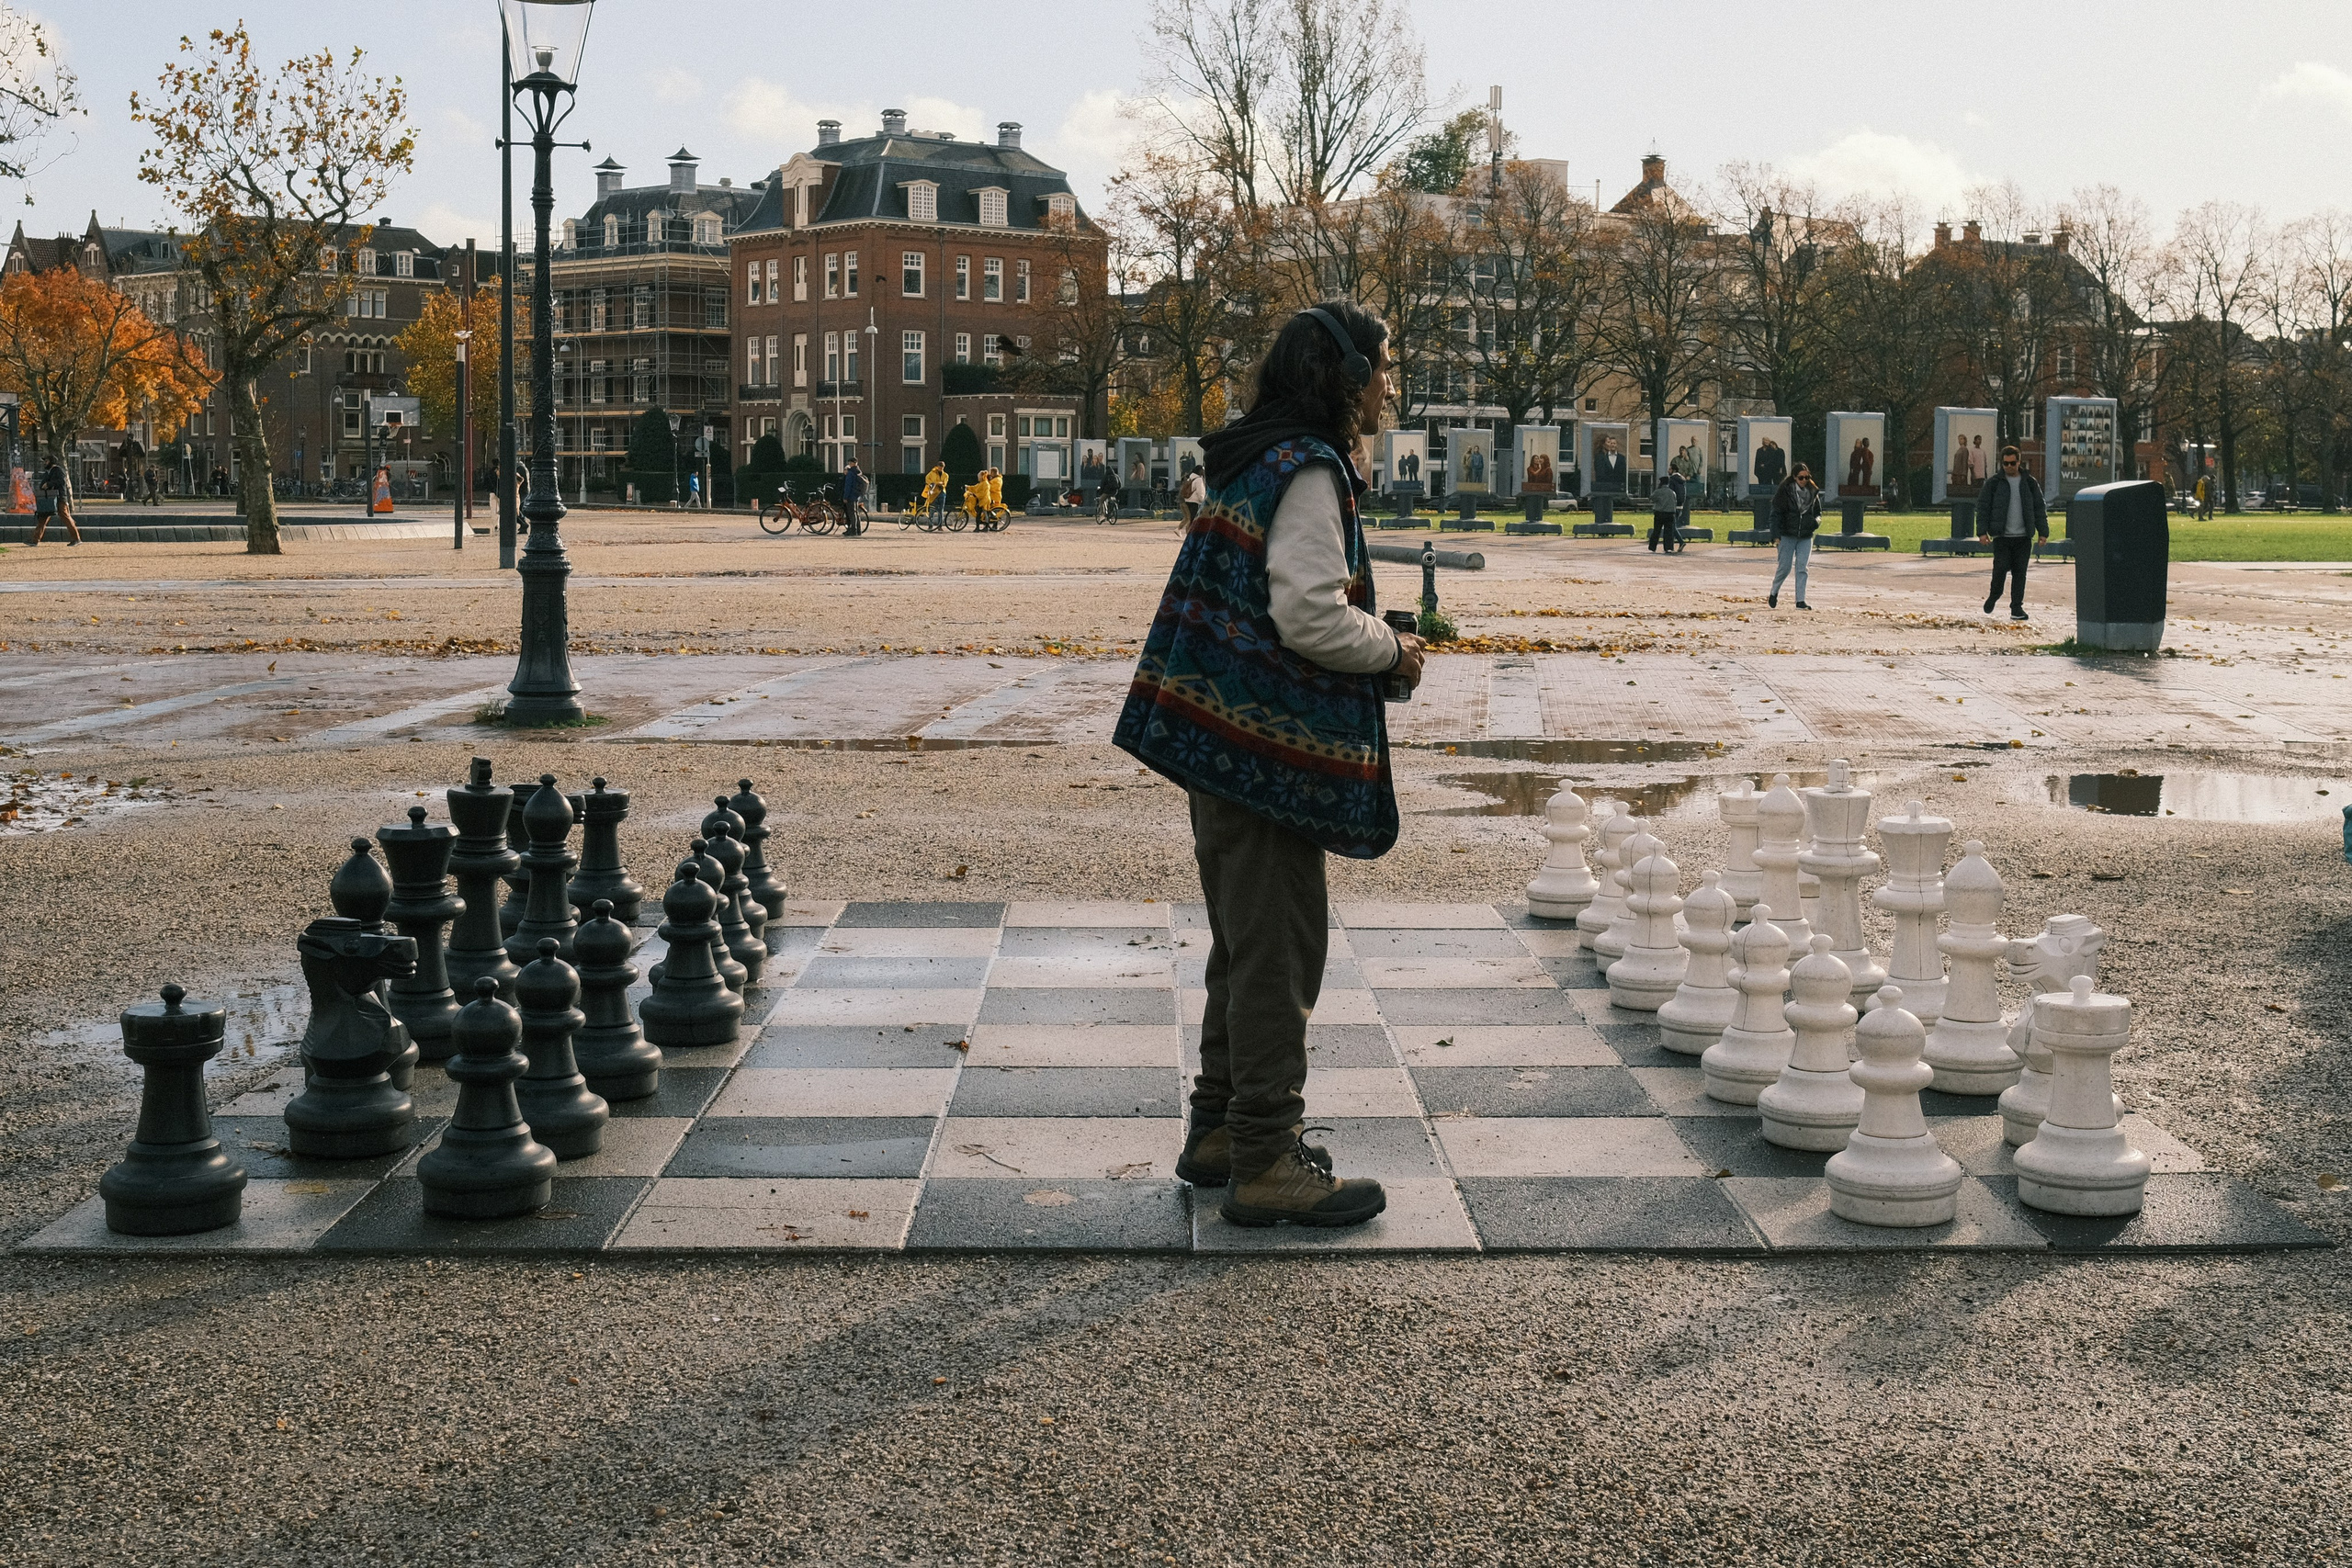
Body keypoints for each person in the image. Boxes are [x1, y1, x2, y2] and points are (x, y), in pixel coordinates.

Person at [1115, 299, 1421, 1229]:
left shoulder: (1251, 459)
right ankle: (1265, 1158)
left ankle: (1220, 1131)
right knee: (1281, 954)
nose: (1390, 385)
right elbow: (1308, 616)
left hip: (1221, 745)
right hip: (1264, 755)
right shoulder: (1308, 469)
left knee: (1248, 947)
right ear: (1343, 376)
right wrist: (1393, 653)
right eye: (1382, 366)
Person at [1975, 443, 2048, 622]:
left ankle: (2017, 608)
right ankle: (1994, 595)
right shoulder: (1993, 483)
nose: (2009, 467)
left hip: (2023, 537)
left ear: (2019, 462)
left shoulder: (2030, 483)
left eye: (2012, 463)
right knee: (2000, 569)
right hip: (2002, 537)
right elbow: (1983, 508)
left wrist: (2043, 532)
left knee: (2019, 573)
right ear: (2001, 464)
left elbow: (2039, 507)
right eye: (2005, 463)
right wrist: (1982, 532)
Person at [1770, 461, 1821, 609]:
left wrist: (1815, 523)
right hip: (1787, 535)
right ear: (1794, 478)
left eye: (1807, 477)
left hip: (1805, 536)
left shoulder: (1813, 492)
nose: (1804, 480)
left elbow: (1818, 513)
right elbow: (1775, 515)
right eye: (1801, 478)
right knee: (1784, 568)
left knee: (1802, 568)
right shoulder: (1785, 492)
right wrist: (1776, 536)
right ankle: (1774, 591)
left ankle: (1800, 601)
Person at [31, 456, 79, 545]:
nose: (45, 462)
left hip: (60, 498)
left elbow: (61, 481)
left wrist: (49, 484)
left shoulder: (58, 470)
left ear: (51, 461)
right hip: (49, 498)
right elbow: (43, 483)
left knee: (65, 517)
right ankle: (35, 540)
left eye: (46, 461)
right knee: (43, 518)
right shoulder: (48, 472)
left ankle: (76, 538)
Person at [1648, 468, 1684, 553]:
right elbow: (1674, 502)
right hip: (1670, 514)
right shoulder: (1672, 492)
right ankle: (1668, 547)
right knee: (1669, 532)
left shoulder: (1658, 491)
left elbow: (1651, 498)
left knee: (1656, 531)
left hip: (1659, 513)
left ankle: (1652, 547)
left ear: (1661, 483)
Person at [1178, 459, 1206, 525]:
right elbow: (1200, 492)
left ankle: (1188, 532)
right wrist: (1202, 500)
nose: (1204, 472)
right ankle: (1190, 532)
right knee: (1193, 519)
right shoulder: (1198, 479)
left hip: (1188, 500)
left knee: (1190, 519)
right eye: (1203, 470)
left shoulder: (1190, 478)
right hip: (1195, 501)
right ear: (1199, 471)